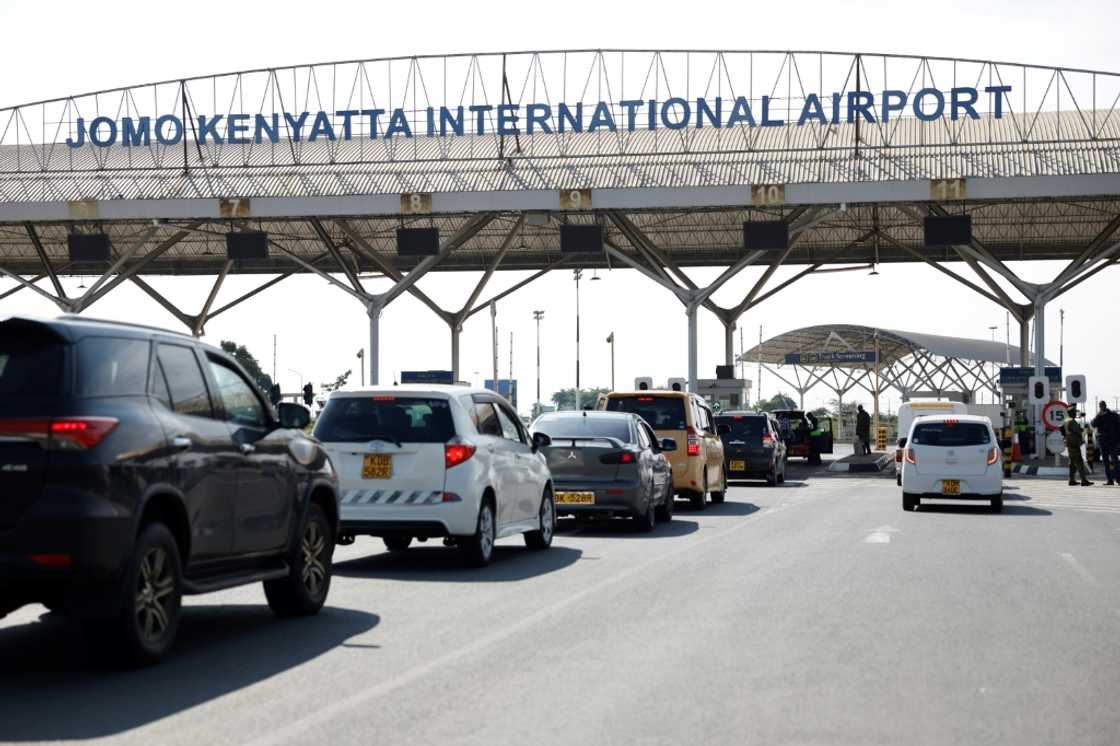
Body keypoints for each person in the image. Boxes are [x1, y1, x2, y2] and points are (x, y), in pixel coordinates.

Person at [1062, 407, 1093, 487]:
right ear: (1071, 413)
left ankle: (1071, 480)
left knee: (1072, 463)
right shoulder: (1072, 421)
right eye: (1074, 412)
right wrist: (1083, 428)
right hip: (1074, 444)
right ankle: (1084, 480)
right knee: (1079, 462)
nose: (1076, 414)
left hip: (1069, 443)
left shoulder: (1066, 420)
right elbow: (1078, 431)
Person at [1091, 401, 1120, 486]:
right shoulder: (1111, 415)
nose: (1101, 407)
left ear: (1103, 406)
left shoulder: (1111, 415)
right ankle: (1113, 480)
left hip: (1108, 441)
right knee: (1110, 461)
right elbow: (1093, 424)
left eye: (1101, 406)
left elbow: (1093, 424)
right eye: (1101, 406)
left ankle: (1113, 479)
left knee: (1111, 461)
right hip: (1108, 441)